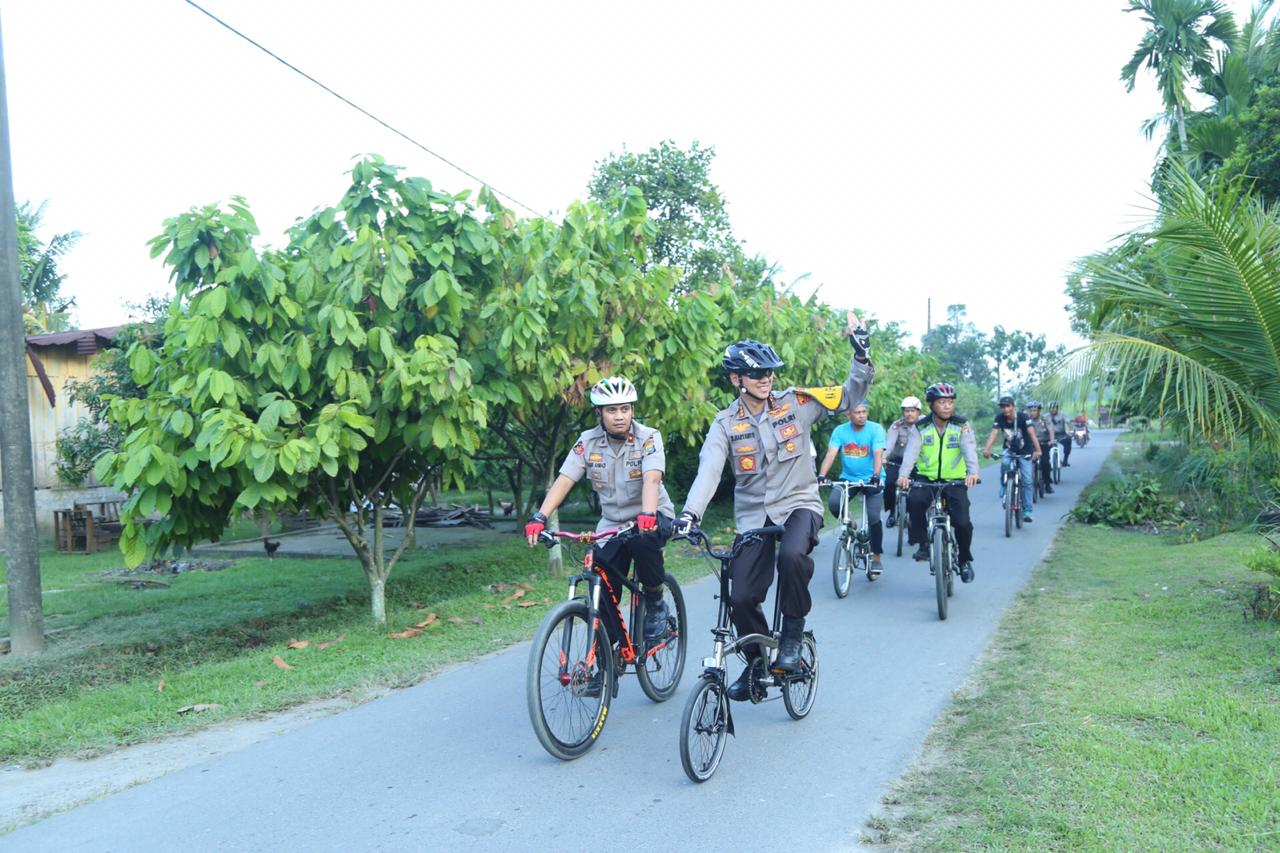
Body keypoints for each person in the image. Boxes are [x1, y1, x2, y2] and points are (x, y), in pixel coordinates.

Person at [676, 313, 874, 701]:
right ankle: (756, 662)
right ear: (736, 380)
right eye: (756, 375)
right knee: (740, 596)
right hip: (753, 516)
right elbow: (709, 471)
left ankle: (793, 635)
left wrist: (861, 354)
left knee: (792, 557)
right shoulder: (724, 424)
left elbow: (851, 395)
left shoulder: (796, 403)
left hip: (800, 503)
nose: (766, 380)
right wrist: (689, 514)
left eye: (769, 372)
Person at [524, 376, 675, 659]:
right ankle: (606, 659)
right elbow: (565, 479)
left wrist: (648, 514)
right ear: (599, 414)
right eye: (611, 410)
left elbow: (652, 480)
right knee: (601, 583)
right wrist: (539, 516)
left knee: (644, 541)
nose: (619, 416)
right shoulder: (587, 442)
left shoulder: (649, 437)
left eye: (625, 409)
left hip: (652, 514)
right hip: (612, 524)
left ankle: (655, 600)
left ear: (632, 410)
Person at [894, 383, 980, 581]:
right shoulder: (921, 427)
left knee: (963, 522)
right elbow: (911, 453)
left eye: (950, 402)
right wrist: (904, 475)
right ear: (932, 405)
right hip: (927, 478)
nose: (947, 406)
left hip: (955, 480)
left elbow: (969, 450)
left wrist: (973, 472)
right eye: (942, 402)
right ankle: (923, 543)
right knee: (914, 500)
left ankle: (964, 560)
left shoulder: (961, 425)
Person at [818, 400, 886, 577]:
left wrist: (877, 476)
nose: (862, 415)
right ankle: (852, 525)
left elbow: (878, 453)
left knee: (873, 517)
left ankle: (876, 557)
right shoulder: (840, 431)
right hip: (848, 478)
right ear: (848, 415)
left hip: (873, 479)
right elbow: (831, 454)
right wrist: (821, 476)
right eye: (857, 412)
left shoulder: (876, 429)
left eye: (864, 412)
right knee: (834, 504)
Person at [982, 395, 1041, 523]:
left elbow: (1031, 434)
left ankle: (1028, 510)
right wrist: (987, 449)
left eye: (1008, 406)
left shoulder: (1023, 417)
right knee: (1005, 463)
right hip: (1009, 449)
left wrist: (1037, 450)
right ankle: (1004, 485)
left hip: (1025, 451)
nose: (1005, 409)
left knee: (1027, 480)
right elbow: (994, 434)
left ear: (1013, 406)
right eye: (1003, 406)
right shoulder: (999, 418)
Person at [882, 396, 922, 529]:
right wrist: (884, 457)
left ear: (919, 412)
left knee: (921, 488)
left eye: (912, 411)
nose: (909, 414)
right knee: (888, 483)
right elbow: (889, 444)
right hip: (897, 462)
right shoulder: (897, 425)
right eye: (906, 411)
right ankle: (892, 512)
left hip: (918, 463)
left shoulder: (925, 424)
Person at [1025, 400, 1056, 495]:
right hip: (1031, 445)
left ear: (1039, 411)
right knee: (1025, 462)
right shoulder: (1026, 420)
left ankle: (1047, 484)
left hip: (1044, 444)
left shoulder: (1045, 419)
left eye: (1035, 410)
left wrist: (1052, 440)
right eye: (1031, 410)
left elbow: (1051, 429)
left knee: (1045, 462)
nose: (1033, 412)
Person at [1048, 401, 1071, 467]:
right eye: (1051, 408)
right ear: (1049, 408)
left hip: (1061, 434)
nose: (1053, 409)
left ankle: (1065, 460)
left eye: (1054, 408)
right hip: (1049, 436)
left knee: (1068, 440)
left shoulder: (1062, 414)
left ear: (1057, 408)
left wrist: (1070, 431)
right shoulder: (1046, 416)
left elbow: (1068, 422)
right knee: (1044, 446)